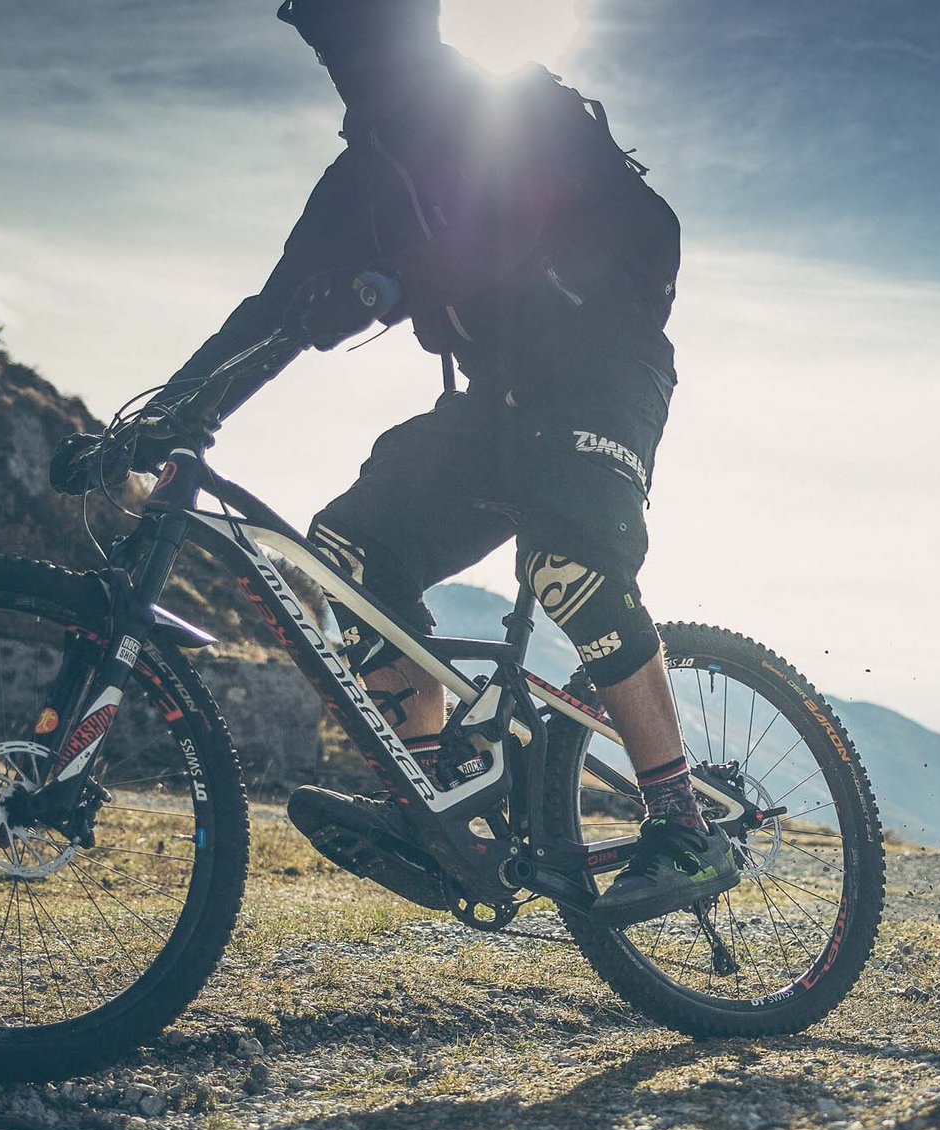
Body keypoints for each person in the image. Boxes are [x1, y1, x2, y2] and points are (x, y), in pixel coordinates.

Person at [51, 0, 737, 925]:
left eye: (344, 28)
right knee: (349, 550)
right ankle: (439, 802)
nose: (336, 53)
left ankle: (684, 824)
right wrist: (162, 418)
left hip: (599, 375)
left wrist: (395, 282)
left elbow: (511, 229)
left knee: (570, 566)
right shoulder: (360, 184)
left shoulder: (511, 109)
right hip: (491, 403)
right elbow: (269, 314)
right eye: (320, 36)